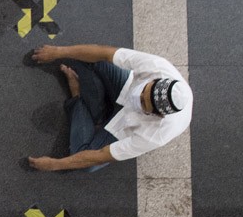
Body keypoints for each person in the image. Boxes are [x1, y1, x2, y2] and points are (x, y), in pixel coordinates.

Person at [27, 44, 192, 172]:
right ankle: (98, 110)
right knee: (90, 58)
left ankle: (78, 99)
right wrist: (58, 52)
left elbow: (100, 156)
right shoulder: (157, 66)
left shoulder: (157, 134)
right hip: (124, 88)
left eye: (143, 104)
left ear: (158, 115)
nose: (138, 98)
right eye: (143, 91)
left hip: (128, 125)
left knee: (86, 163)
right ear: (155, 80)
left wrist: (55, 164)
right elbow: (104, 52)